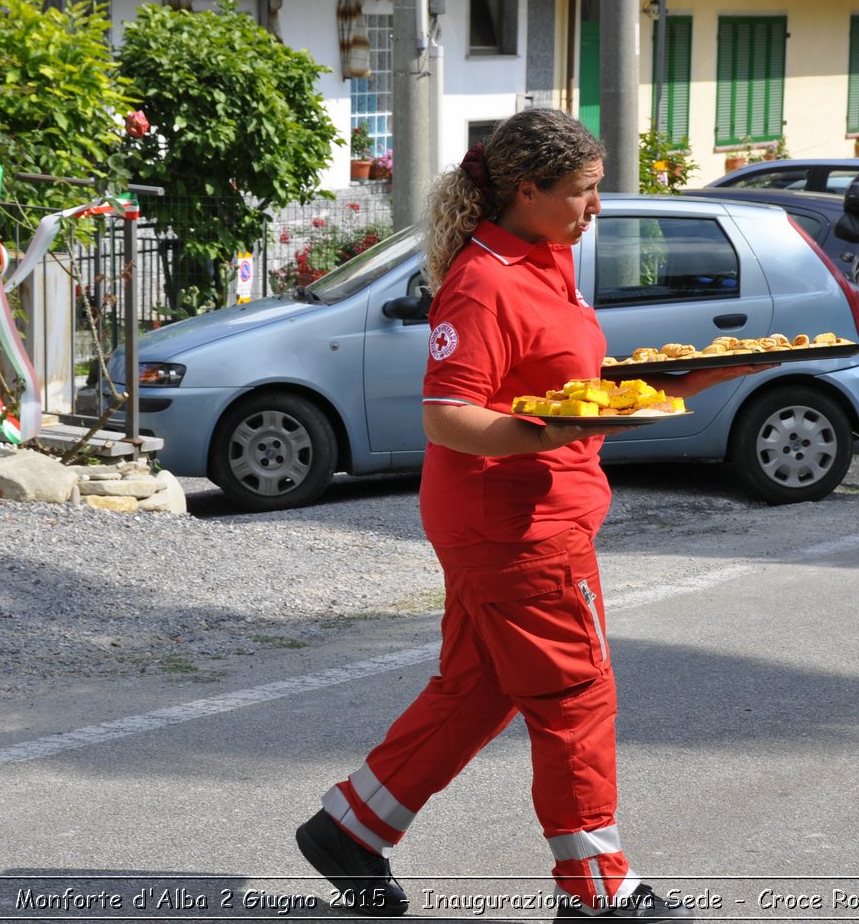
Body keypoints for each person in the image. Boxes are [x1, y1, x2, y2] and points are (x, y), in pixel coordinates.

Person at [296, 108, 771, 922]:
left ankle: (352, 825)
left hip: (520, 514)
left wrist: (664, 388)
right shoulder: (483, 281)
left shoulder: (547, 258)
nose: (597, 207)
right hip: (515, 523)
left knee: (478, 688)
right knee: (575, 692)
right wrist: (551, 431)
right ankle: (597, 892)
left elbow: (555, 378)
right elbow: (448, 413)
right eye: (584, 191)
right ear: (528, 189)